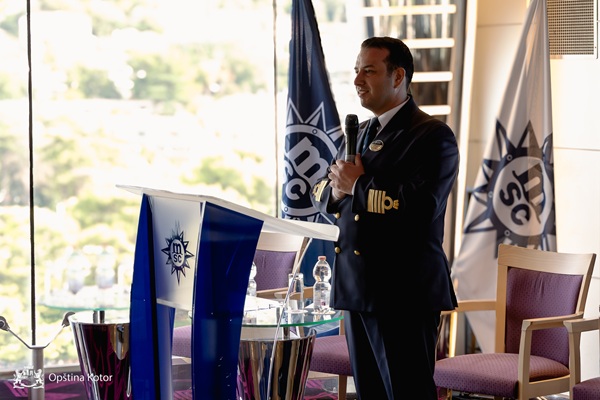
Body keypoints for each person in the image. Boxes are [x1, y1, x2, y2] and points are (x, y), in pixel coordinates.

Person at [310, 36, 459, 399]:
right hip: (357, 287)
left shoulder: (431, 135)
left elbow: (421, 208)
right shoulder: (359, 133)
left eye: (369, 71)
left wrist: (357, 185)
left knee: (407, 393)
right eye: (356, 71)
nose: (357, 80)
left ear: (398, 77)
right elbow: (323, 190)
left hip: (402, 293)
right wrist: (341, 191)